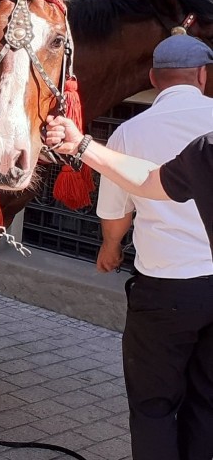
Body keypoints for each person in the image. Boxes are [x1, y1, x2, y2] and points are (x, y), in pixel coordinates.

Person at [46, 34, 213, 460]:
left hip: (166, 288)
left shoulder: (132, 131)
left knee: (154, 404)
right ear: (203, 76)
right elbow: (156, 180)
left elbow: (139, 187)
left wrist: (111, 246)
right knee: (207, 399)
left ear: (154, 79)